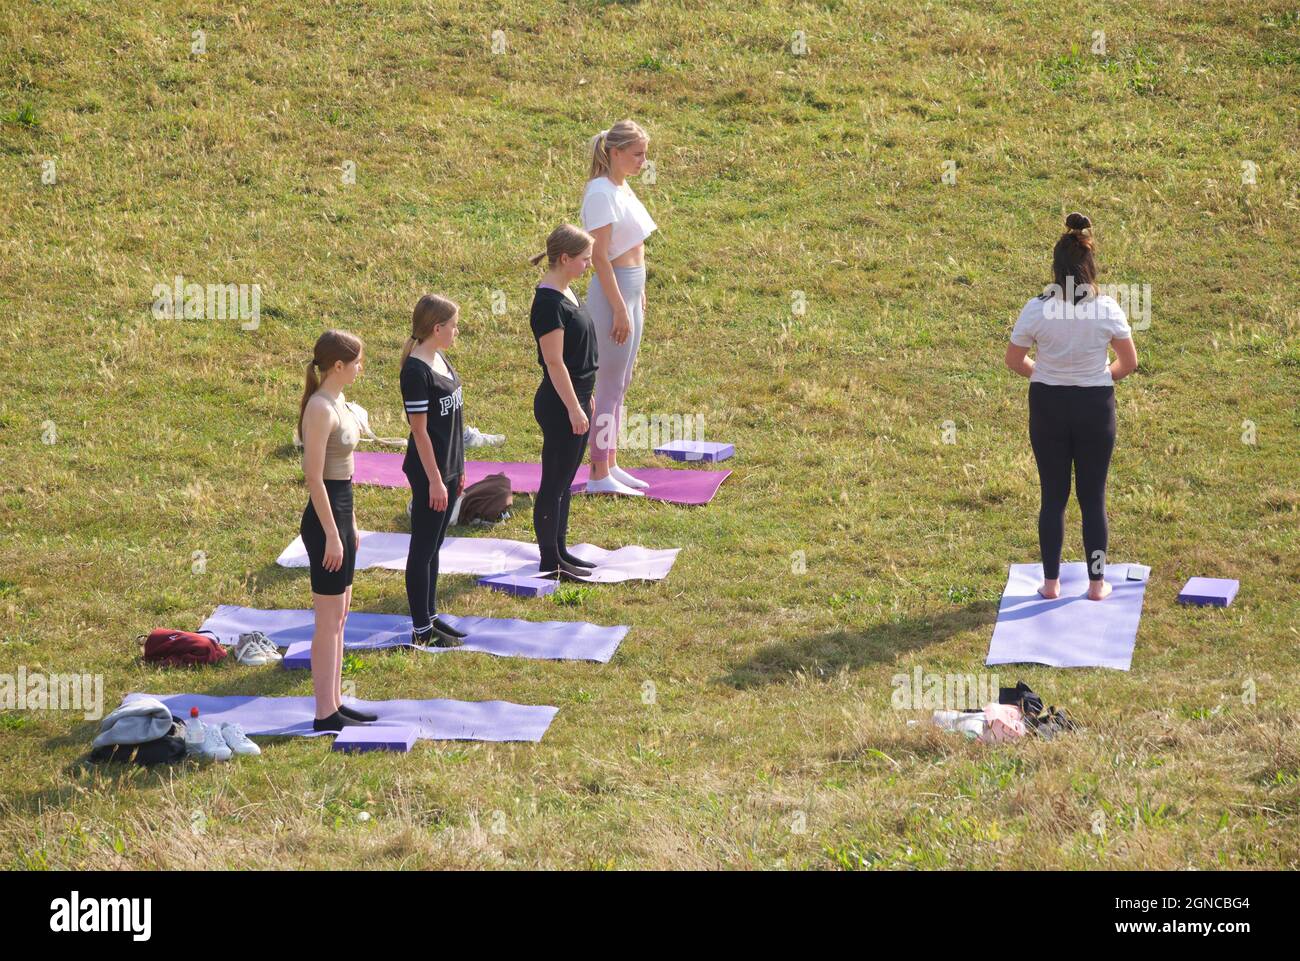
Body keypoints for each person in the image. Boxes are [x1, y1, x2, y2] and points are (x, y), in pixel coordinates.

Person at [1005, 213, 1139, 601]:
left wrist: (1044, 372)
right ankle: (1097, 586)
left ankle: (1051, 584)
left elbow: (1015, 361)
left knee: (1053, 496)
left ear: (1055, 267)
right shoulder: (1108, 308)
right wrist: (1097, 379)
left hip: (1048, 404)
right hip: (1095, 406)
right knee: (1093, 497)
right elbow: (1128, 364)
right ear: (1090, 266)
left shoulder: (1037, 307)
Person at [298, 330, 374, 730]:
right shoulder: (319, 408)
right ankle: (323, 713)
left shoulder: (339, 402)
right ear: (338, 366)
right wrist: (331, 533)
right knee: (327, 620)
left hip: (341, 513)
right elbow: (314, 477)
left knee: (340, 615)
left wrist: (350, 525)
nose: (362, 368)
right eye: (357, 361)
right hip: (324, 518)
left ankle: (336, 702)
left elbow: (345, 475)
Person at [580, 119, 657, 496]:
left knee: (621, 383)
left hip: (630, 289)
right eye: (637, 154)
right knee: (609, 385)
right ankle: (597, 473)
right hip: (613, 295)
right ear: (615, 152)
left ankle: (609, 462)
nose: (644, 161)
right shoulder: (600, 193)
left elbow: (634, 247)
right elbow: (599, 257)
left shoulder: (619, 187)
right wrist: (620, 307)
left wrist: (637, 294)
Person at [529, 225, 600, 580]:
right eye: (584, 258)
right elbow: (555, 362)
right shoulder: (548, 304)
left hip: (577, 398)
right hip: (560, 405)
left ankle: (560, 550)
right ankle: (549, 560)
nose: (589, 263)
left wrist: (587, 398)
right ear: (565, 258)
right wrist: (574, 406)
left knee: (566, 481)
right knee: (554, 483)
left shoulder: (566, 292)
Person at [400, 295, 468, 646]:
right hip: (430, 473)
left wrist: (459, 468)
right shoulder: (415, 371)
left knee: (436, 546)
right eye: (453, 325)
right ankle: (421, 628)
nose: (457, 330)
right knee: (423, 548)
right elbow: (420, 431)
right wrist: (436, 481)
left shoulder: (440, 356)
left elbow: (454, 422)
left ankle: (432, 616)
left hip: (449, 467)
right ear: (437, 328)